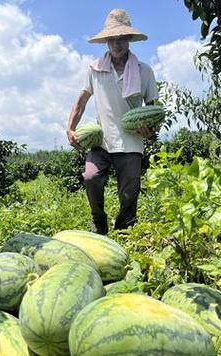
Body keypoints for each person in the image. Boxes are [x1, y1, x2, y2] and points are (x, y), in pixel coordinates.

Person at [66, 9, 159, 235]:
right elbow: (81, 101)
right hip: (102, 141)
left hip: (131, 142)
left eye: (121, 39)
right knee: (90, 177)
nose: (116, 44)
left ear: (128, 39)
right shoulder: (95, 69)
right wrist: (70, 128)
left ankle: (126, 231)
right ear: (106, 42)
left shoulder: (143, 71)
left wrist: (151, 129)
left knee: (129, 192)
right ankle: (99, 223)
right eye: (111, 39)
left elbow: (154, 107)